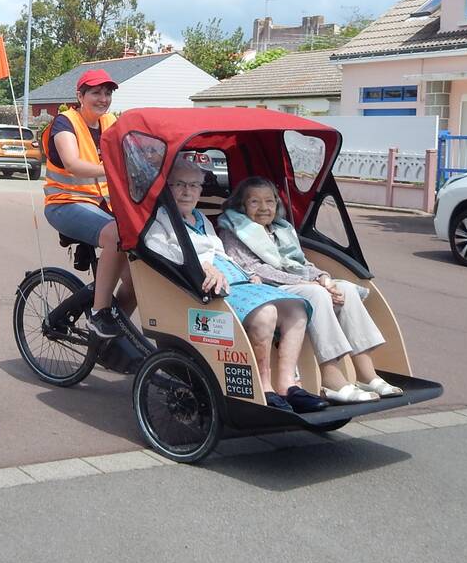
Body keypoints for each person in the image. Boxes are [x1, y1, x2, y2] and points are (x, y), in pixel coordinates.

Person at [145, 157, 326, 413]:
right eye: (179, 184)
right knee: (267, 313)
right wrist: (199, 267)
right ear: (167, 187)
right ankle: (263, 387)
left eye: (194, 185)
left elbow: (221, 253)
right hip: (207, 289)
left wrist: (245, 272)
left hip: (238, 280)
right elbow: (161, 253)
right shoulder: (160, 220)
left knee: (296, 309)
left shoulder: (200, 218)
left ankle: (287, 384)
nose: (188, 191)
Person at [217, 176, 401, 403]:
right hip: (267, 288)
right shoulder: (233, 231)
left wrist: (324, 278)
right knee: (316, 294)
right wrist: (309, 285)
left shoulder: (281, 230)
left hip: (297, 283)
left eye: (270, 201)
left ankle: (366, 373)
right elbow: (253, 268)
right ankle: (331, 376)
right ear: (242, 206)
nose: (264, 208)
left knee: (346, 291)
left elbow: (302, 264)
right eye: (254, 202)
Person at [41, 69, 135, 339]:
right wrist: (112, 169)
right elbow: (72, 163)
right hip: (65, 203)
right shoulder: (65, 122)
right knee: (116, 236)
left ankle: (114, 338)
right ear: (80, 96)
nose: (103, 98)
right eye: (96, 92)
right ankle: (100, 313)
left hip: (102, 207)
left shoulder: (111, 122)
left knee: (138, 278)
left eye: (107, 93)